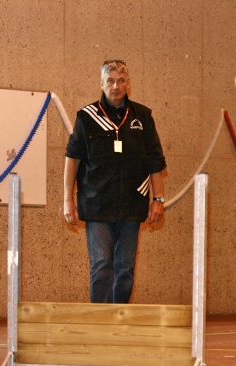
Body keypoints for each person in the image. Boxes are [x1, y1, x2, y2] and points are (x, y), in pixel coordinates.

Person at [63, 59, 167, 304]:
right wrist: (67, 201)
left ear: (127, 84)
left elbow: (155, 161)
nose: (116, 86)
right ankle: (100, 320)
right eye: (110, 81)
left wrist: (158, 200)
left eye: (121, 80)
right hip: (97, 205)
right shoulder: (86, 117)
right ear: (102, 83)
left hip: (131, 206)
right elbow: (72, 160)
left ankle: (120, 318)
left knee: (125, 269)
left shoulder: (143, 116)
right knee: (101, 265)